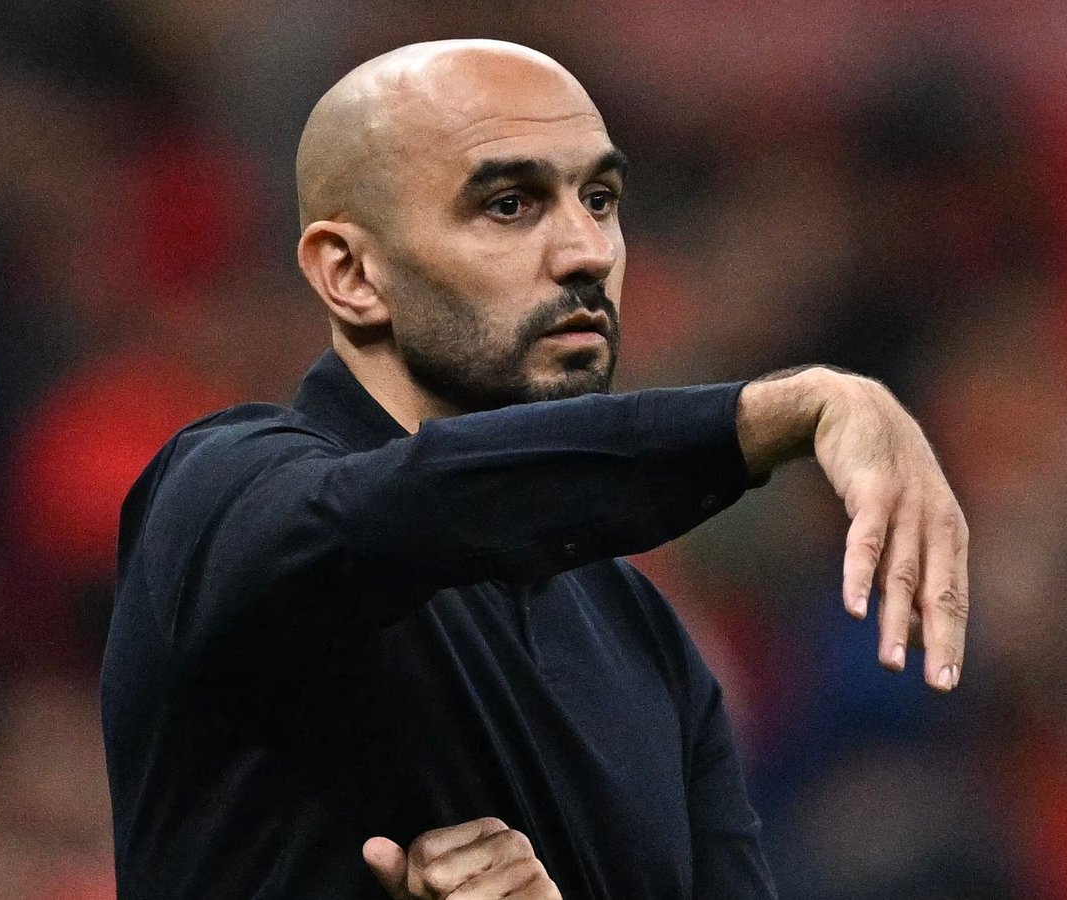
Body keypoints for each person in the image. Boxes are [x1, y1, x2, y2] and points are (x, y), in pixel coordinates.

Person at [101, 39, 969, 900]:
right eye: (509, 205)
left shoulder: (647, 642)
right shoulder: (216, 493)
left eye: (600, 199)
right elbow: (396, 509)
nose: (589, 252)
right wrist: (774, 415)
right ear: (352, 273)